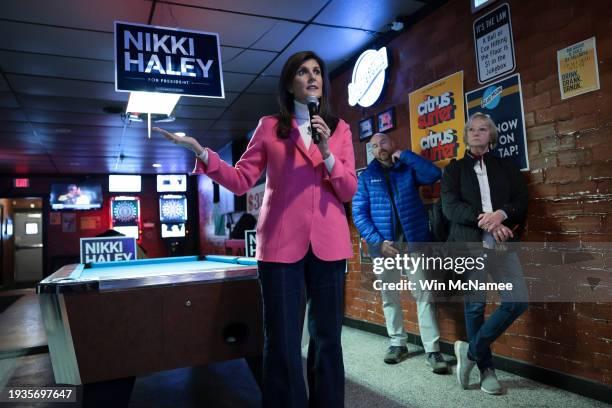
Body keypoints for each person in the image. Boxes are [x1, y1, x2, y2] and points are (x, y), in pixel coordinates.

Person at [153, 51, 356, 408]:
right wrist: (202, 153)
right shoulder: (268, 127)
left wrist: (327, 152)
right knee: (282, 341)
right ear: (289, 83)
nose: (312, 78)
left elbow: (347, 190)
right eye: (302, 72)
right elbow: (241, 179)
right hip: (280, 246)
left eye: (317, 72)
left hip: (330, 244)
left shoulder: (339, 130)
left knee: (328, 339)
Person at [441, 112, 529, 395]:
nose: (476, 133)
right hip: (469, 244)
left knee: (517, 301)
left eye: (482, 129)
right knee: (475, 307)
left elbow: (521, 201)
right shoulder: (453, 170)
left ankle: (471, 351)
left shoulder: (506, 166)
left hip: (502, 244)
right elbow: (450, 208)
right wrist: (486, 219)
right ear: (466, 136)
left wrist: (502, 215)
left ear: (491, 135)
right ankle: (486, 368)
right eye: (471, 129)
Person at [352, 132, 448, 374]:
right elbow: (359, 214)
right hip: (384, 249)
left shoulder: (407, 167)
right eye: (374, 146)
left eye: (383, 142)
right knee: (389, 296)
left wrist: (405, 155)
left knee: (424, 295)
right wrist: (378, 243)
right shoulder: (366, 177)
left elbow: (434, 174)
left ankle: (432, 350)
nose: (379, 148)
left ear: (392, 143)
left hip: (413, 244)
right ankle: (397, 343)